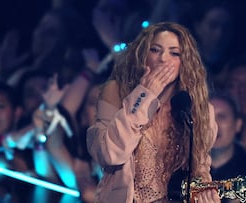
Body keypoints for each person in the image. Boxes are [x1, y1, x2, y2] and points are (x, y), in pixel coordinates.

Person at [86, 22, 220, 203]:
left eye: (174, 53)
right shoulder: (117, 91)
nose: (163, 59)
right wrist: (144, 94)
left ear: (185, 62)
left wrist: (204, 194)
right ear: (143, 55)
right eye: (155, 50)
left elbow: (200, 169)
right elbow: (110, 153)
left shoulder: (198, 109)